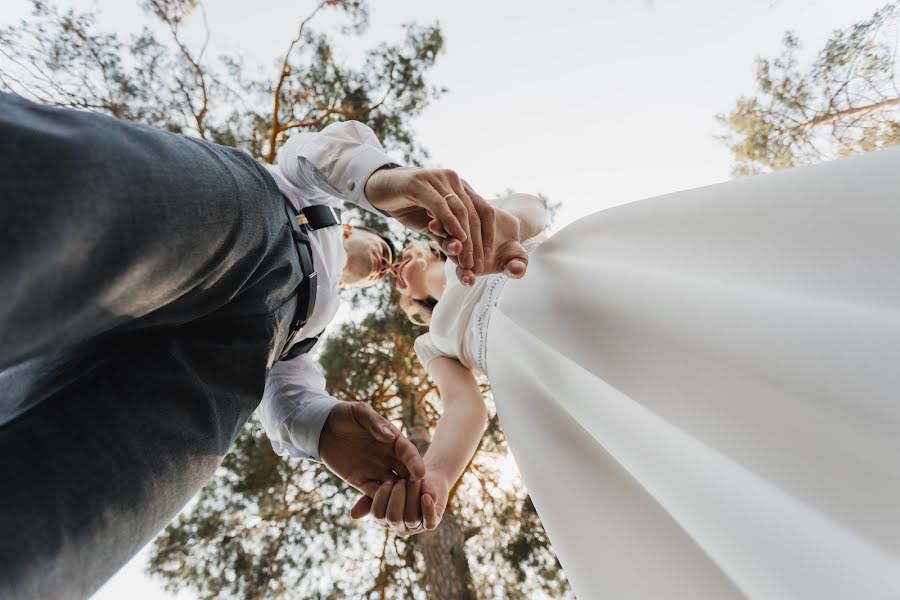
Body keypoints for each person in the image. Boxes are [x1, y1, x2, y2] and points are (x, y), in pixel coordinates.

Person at [0, 92, 526, 599]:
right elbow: (311, 154)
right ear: (349, 235)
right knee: (70, 210)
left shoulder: (316, 326)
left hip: (239, 360)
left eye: (382, 278)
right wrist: (381, 180)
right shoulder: (316, 206)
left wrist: (321, 427)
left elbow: (286, 391)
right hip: (253, 220)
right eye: (385, 247)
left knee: (82, 501)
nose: (387, 264)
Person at [355, 150, 900, 599]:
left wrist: (505, 224)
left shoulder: (464, 227)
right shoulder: (435, 342)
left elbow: (530, 209)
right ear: (407, 301)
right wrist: (440, 474)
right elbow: (463, 408)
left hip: (588, 286)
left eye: (405, 254)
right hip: (547, 388)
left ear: (422, 242)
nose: (402, 269)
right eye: (398, 282)